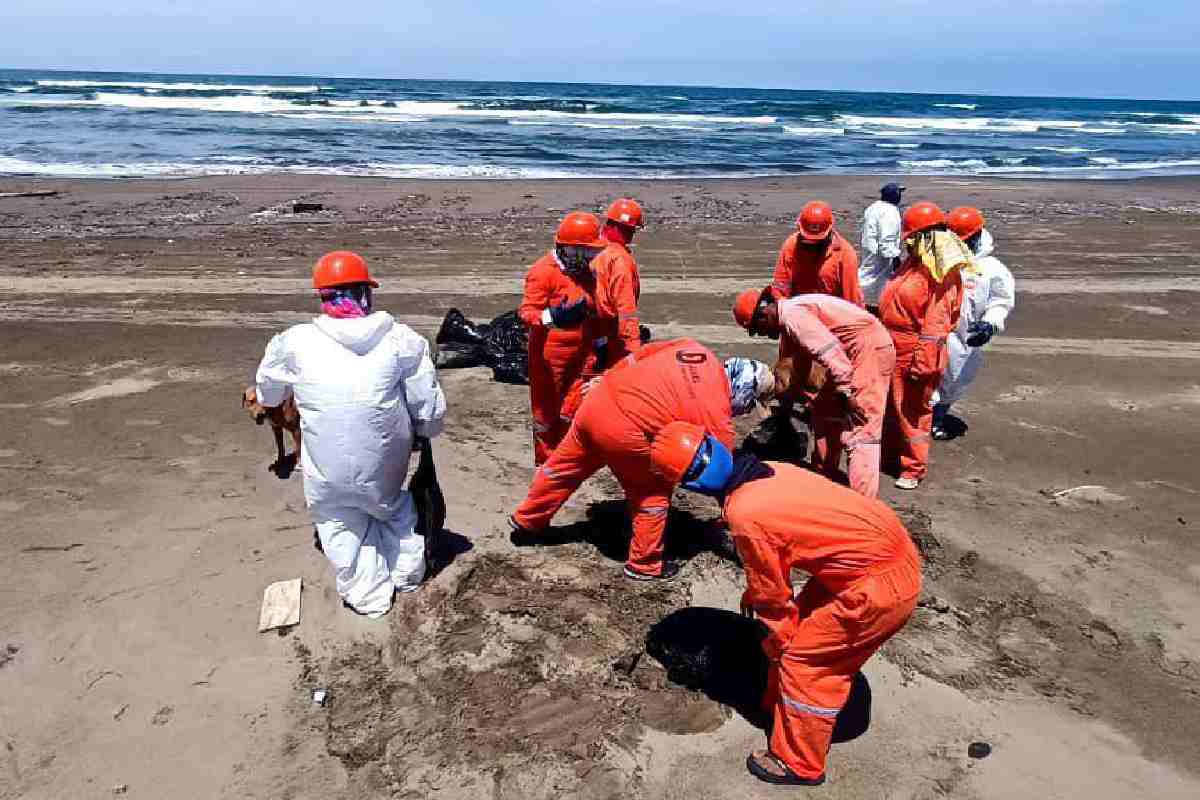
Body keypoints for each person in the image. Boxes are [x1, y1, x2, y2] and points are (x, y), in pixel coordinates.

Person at [649, 422, 922, 786]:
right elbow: (792, 540)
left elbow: (774, 599)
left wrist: (778, 641)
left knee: (803, 662)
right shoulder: (773, 470)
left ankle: (800, 762)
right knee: (804, 634)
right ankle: (778, 702)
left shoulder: (746, 513)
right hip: (882, 556)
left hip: (876, 589)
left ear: (689, 484)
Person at [255, 251, 447, 618]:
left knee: (338, 521)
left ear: (323, 296)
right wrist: (426, 432)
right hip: (385, 462)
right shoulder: (401, 339)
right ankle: (407, 575)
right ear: (366, 292)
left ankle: (369, 598)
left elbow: (268, 393)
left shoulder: (295, 341)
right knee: (392, 508)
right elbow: (428, 405)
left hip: (325, 468)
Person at [509, 338, 772, 580]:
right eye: (750, 404)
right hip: (624, 431)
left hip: (597, 402)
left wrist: (607, 378)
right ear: (744, 389)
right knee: (651, 492)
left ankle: (528, 519)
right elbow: (722, 475)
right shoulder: (716, 411)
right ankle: (644, 563)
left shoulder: (694, 349)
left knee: (562, 467)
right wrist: (737, 520)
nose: (745, 411)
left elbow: (640, 354)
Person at [733, 290, 895, 498]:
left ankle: (863, 507)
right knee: (824, 412)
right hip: (847, 356)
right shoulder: (788, 323)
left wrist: (846, 391)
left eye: (758, 329)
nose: (763, 335)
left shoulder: (793, 316)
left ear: (764, 315)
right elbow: (800, 366)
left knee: (861, 429)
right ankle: (823, 481)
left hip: (868, 349)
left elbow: (830, 351)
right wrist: (784, 406)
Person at [879, 202, 969, 490]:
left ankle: (913, 466)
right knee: (893, 408)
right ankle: (893, 456)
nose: (907, 244)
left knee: (914, 412)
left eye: (911, 238)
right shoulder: (912, 264)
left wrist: (924, 361)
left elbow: (936, 323)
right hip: (895, 345)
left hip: (916, 349)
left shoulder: (942, 273)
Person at [518, 211, 606, 464]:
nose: (593, 256)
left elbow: (594, 310)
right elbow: (527, 312)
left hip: (582, 354)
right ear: (571, 249)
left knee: (577, 406)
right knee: (546, 414)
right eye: (589, 251)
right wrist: (552, 317)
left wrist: (601, 342)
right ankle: (546, 463)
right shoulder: (543, 272)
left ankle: (568, 456)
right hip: (548, 359)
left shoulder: (587, 273)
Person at [932, 206, 1016, 439]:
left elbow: (1001, 301)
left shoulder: (991, 269)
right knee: (927, 379)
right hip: (934, 333)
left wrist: (990, 324)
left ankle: (937, 420)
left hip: (966, 337)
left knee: (955, 379)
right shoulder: (937, 260)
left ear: (977, 237)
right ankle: (921, 420)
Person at [768, 200, 863, 306]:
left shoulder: (845, 254)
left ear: (829, 231)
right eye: (807, 241)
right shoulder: (791, 246)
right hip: (797, 311)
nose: (812, 245)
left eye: (818, 241)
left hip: (831, 313)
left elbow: (852, 299)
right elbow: (781, 287)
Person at [859, 182, 905, 312]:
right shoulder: (890, 211)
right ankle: (852, 299)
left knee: (875, 276)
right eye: (899, 193)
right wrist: (894, 255)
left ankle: (878, 305)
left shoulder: (874, 207)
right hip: (881, 251)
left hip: (870, 246)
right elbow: (887, 235)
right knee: (869, 276)